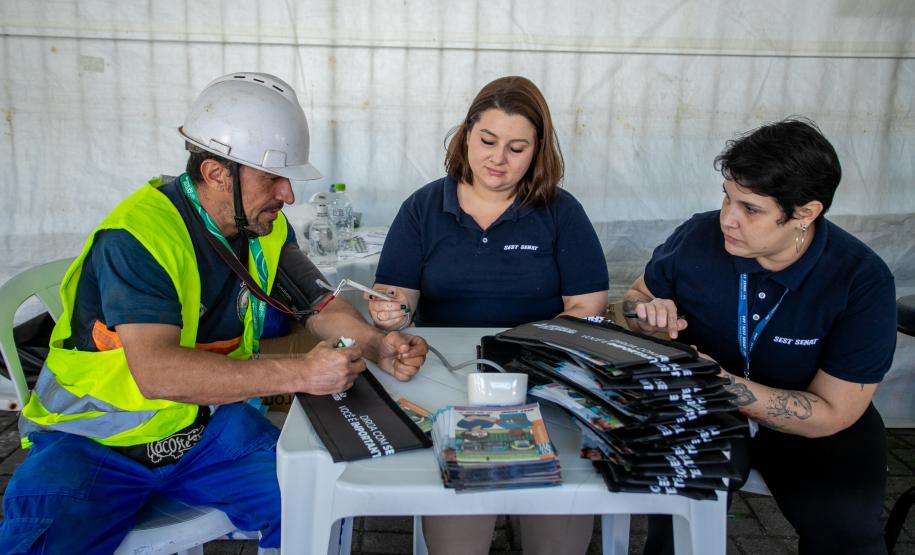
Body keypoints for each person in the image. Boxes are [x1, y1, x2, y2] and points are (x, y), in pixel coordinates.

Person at [0, 72, 428, 554]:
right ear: (216, 173)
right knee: (39, 545)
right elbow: (156, 373)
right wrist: (301, 373)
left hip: (203, 430)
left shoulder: (263, 227)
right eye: (273, 177)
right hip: (91, 443)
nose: (288, 194)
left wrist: (375, 344)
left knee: (317, 499)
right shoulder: (139, 237)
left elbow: (321, 302)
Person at [624, 118, 896, 555]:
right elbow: (636, 297)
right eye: (727, 199)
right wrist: (646, 315)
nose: (728, 219)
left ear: (805, 213)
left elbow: (833, 412)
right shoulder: (698, 236)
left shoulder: (860, 279)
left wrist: (717, 383)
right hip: (702, 409)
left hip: (814, 423)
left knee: (846, 532)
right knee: (678, 527)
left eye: (751, 209)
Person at [367, 76, 609, 555]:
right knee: (459, 530)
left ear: (538, 151)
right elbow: (395, 298)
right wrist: (390, 313)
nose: (498, 159)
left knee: (557, 528)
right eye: (487, 141)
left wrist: (533, 354)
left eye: (517, 148)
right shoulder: (423, 207)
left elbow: (587, 308)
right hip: (444, 377)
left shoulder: (560, 212)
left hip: (542, 379)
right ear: (465, 136)